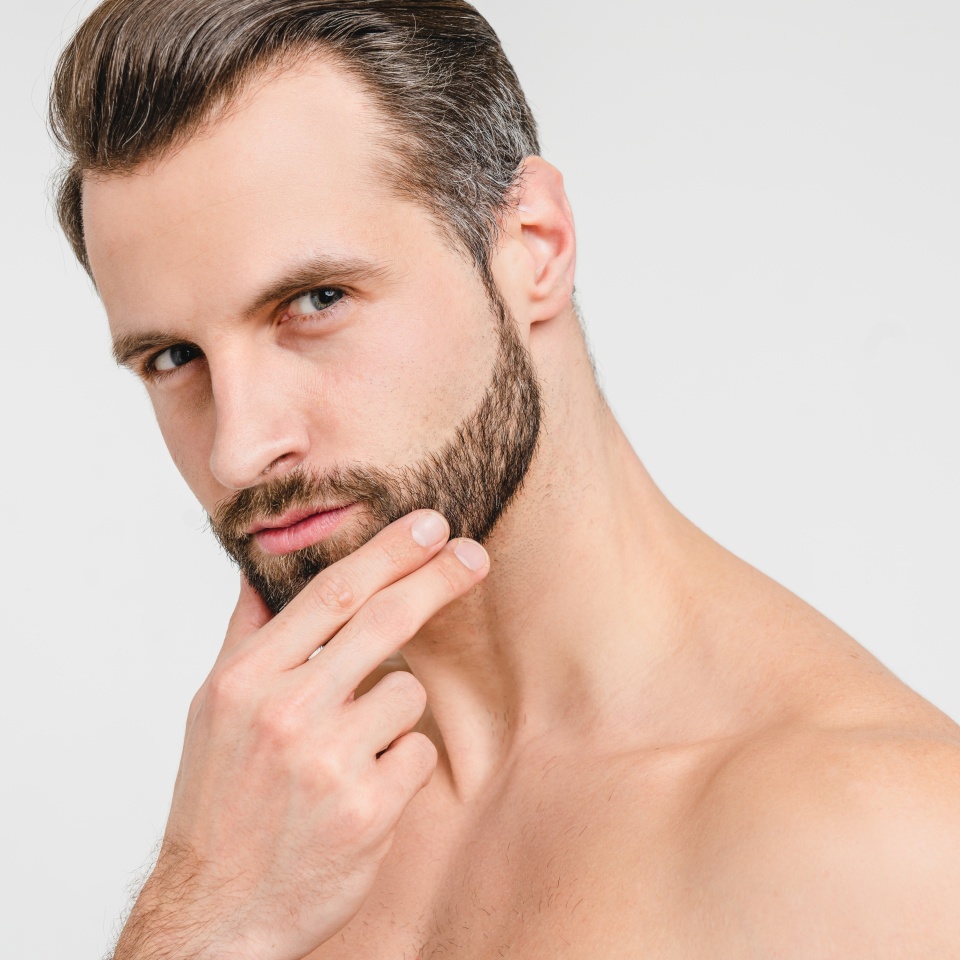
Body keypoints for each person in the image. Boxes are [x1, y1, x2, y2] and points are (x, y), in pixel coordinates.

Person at [49, 0, 960, 956]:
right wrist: (201, 916)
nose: (237, 451)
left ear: (535, 246)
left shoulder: (884, 848)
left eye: (315, 301)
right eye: (170, 357)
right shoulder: (267, 811)